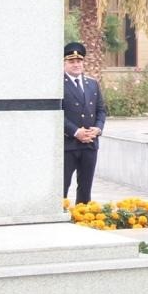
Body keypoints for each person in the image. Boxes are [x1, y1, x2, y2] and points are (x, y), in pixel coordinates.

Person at [62, 41, 106, 205]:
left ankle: (83, 218)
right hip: (69, 144)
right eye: (71, 61)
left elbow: (101, 110)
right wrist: (76, 132)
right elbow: (57, 114)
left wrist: (98, 129)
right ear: (64, 63)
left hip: (90, 144)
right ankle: (61, 218)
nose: (76, 65)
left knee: (85, 188)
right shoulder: (57, 84)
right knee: (62, 187)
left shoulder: (92, 83)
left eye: (79, 61)